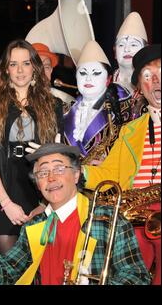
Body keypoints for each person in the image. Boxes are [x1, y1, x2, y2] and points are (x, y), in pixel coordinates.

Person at [0, 143, 151, 285]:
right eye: (42, 173)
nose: (50, 178)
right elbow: (2, 277)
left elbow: (138, 277)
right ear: (37, 184)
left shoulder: (107, 220)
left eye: (59, 169)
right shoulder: (34, 226)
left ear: (77, 175)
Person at [0, 39, 64, 257]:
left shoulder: (53, 105)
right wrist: (6, 204)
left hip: (39, 191)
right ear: (6, 69)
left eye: (26, 63)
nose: (20, 70)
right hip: (2, 192)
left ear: (34, 66)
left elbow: (58, 158)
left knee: (38, 272)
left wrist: (45, 204)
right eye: (14, 64)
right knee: (9, 274)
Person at [83, 44, 161, 284]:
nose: (156, 81)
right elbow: (109, 174)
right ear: (140, 86)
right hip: (136, 213)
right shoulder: (130, 131)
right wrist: (76, 172)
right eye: (147, 76)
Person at [64, 40, 124, 164]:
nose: (88, 78)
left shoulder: (122, 109)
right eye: (82, 73)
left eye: (96, 73)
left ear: (108, 79)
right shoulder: (64, 111)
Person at [113, 12, 148, 122]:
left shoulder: (154, 85)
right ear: (114, 51)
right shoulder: (103, 83)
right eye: (121, 45)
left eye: (133, 44)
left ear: (145, 50)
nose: (126, 49)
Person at [32, 42, 75, 111]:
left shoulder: (61, 102)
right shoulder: (13, 99)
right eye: (37, 66)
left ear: (51, 70)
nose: (42, 72)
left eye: (46, 67)